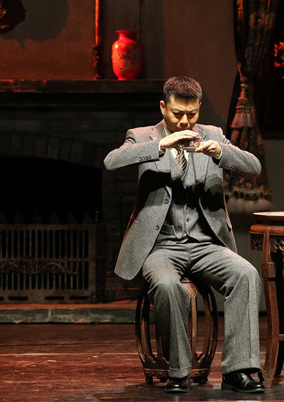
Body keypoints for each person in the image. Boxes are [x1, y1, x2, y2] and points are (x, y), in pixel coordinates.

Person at [104, 76, 264, 394]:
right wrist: (160, 146)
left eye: (191, 114)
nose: (184, 121)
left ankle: (238, 369)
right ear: (163, 107)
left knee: (246, 274)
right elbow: (112, 161)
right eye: (177, 113)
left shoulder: (212, 134)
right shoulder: (142, 136)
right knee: (166, 285)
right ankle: (178, 371)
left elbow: (254, 166)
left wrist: (221, 152)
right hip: (160, 247)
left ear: (199, 108)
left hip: (206, 244)